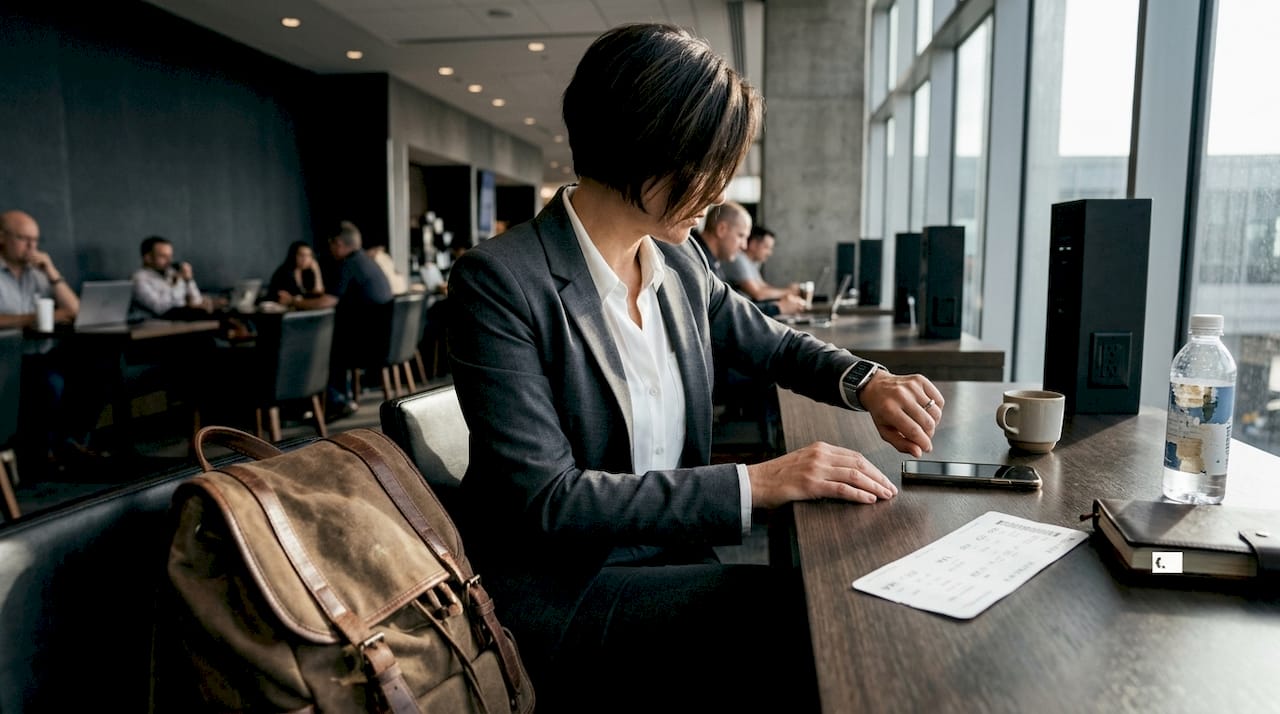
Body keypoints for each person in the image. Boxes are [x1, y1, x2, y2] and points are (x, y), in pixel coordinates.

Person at [447, 23, 945, 713]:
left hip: (667, 558)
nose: (720, 189)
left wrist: (868, 381)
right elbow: (548, 500)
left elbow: (771, 343)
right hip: (564, 588)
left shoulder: (678, 261)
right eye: (709, 163)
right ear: (645, 147)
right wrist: (756, 482)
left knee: (829, 601)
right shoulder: (500, 281)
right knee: (815, 623)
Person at [0, 210, 111, 475]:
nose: (31, 247)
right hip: (8, 358)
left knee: (100, 369)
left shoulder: (37, 272)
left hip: (42, 352)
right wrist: (33, 319)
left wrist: (52, 272)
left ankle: (70, 442)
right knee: (50, 382)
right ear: (2, 238)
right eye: (24, 239)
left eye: (36, 240)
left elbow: (75, 309)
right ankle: (44, 454)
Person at [323, 221, 392, 415]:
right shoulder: (368, 261)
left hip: (364, 347)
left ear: (338, 243)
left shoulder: (348, 264)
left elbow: (328, 301)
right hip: (382, 342)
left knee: (321, 347)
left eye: (330, 244)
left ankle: (337, 400)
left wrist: (296, 301)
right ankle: (341, 397)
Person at [130, 235, 211, 319]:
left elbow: (196, 301)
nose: (169, 261)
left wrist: (188, 280)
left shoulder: (171, 273)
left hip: (181, 322)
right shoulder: (139, 279)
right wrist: (175, 285)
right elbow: (160, 308)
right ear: (148, 258)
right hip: (155, 327)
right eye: (163, 256)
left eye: (170, 256)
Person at [724, 224, 807, 305]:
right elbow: (758, 294)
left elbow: (763, 287)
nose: (769, 253)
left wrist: (788, 290)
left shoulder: (752, 263)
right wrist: (788, 292)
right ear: (753, 245)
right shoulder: (738, 259)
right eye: (766, 247)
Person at [266, 240, 327, 307]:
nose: (305, 259)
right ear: (293, 255)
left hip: (303, 309)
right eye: (301, 255)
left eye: (308, 255)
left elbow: (318, 293)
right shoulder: (283, 273)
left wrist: (317, 271)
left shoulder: (308, 273)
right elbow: (282, 298)